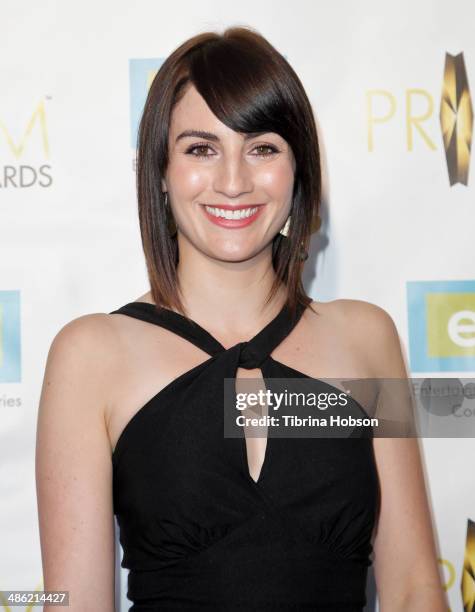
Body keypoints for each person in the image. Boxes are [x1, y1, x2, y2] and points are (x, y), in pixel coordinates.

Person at [35, 26, 447, 611]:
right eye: (201, 149)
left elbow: (413, 591)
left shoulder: (367, 338)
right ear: (160, 170)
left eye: (262, 148)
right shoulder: (92, 354)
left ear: (297, 167)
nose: (233, 181)